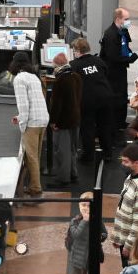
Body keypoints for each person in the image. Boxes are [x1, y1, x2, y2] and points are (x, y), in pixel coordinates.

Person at [10, 52, 48, 202]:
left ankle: (36, 189)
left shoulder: (19, 79)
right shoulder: (34, 77)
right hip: (43, 119)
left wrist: (22, 124)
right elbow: (36, 102)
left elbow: (24, 105)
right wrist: (19, 117)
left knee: (31, 157)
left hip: (32, 122)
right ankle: (33, 185)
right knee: (36, 156)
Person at [70, 38, 115, 164]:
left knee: (87, 128)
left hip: (88, 100)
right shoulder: (99, 61)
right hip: (105, 97)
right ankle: (108, 153)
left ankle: (88, 156)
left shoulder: (74, 65)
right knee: (104, 126)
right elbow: (106, 73)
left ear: (77, 50)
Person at [110, 143, 138, 267]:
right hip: (126, 239)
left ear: (137, 163)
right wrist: (117, 237)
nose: (122, 165)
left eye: (126, 162)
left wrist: (129, 245)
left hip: (135, 245)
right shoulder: (131, 177)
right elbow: (124, 207)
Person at [99, 8, 137, 132]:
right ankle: (114, 124)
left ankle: (121, 121)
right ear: (118, 19)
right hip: (112, 72)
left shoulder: (123, 31)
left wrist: (130, 55)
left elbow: (126, 46)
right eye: (126, 19)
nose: (128, 21)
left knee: (122, 95)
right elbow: (112, 56)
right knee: (116, 97)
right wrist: (128, 59)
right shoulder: (110, 34)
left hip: (121, 69)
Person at [48, 53, 81, 188]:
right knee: (73, 149)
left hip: (63, 121)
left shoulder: (60, 80)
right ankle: (73, 173)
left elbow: (57, 104)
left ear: (57, 66)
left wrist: (53, 121)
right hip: (76, 118)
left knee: (62, 150)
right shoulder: (77, 77)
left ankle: (63, 178)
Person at [64, 191, 106, 274]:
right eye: (84, 205)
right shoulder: (75, 221)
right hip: (77, 259)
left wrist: (100, 237)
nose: (86, 208)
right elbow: (76, 234)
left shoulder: (97, 220)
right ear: (79, 206)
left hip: (90, 258)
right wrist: (84, 221)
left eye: (89, 206)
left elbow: (104, 233)